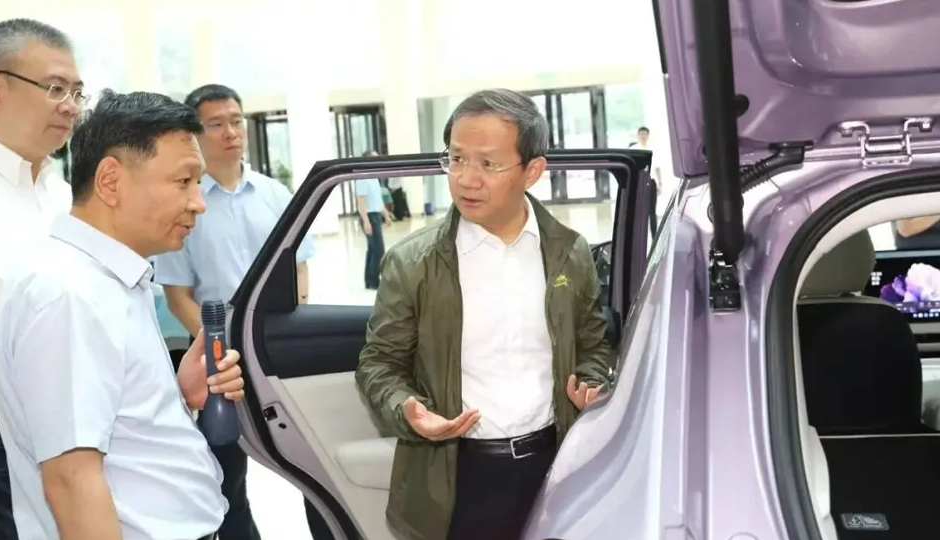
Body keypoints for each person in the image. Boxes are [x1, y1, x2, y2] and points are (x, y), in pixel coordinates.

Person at [355, 88, 613, 540]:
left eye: (488, 164)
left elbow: (592, 344)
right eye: (456, 159)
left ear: (532, 171)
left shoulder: (569, 253)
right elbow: (379, 364)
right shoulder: (413, 263)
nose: (466, 179)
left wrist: (592, 384)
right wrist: (407, 410)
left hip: (556, 463)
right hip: (460, 474)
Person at [0, 89, 247, 540]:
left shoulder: (110, 279)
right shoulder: (69, 294)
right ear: (110, 181)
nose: (199, 202)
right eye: (183, 181)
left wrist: (176, 395)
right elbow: (72, 482)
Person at [154, 83, 316, 540]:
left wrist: (290, 332)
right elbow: (179, 297)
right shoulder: (186, 206)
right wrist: (222, 353)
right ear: (195, 133)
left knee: (313, 469)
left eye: (237, 120)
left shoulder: (274, 193)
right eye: (216, 124)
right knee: (225, 480)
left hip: (276, 351)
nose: (231, 132)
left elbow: (299, 269)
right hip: (218, 364)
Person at [0, 18, 85, 539]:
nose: (70, 106)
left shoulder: (62, 195)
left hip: (74, 438)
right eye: (54, 88)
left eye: (77, 93)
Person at [355, 149, 391, 290]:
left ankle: (370, 281)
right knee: (379, 250)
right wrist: (366, 221)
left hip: (375, 215)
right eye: (375, 158)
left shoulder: (374, 177)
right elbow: (361, 202)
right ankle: (374, 281)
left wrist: (386, 215)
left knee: (372, 249)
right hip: (369, 216)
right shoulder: (362, 178)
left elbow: (378, 200)